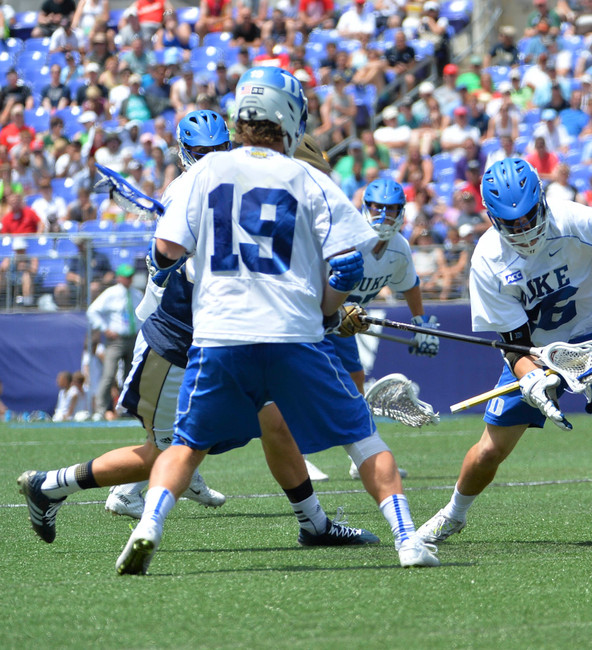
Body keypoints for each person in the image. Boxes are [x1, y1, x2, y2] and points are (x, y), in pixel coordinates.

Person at [111, 68, 437, 574]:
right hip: (292, 334)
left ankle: (147, 526)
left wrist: (164, 266)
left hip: (219, 336)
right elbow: (348, 266)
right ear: (290, 115)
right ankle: (408, 539)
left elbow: (166, 250)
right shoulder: (308, 177)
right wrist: (329, 312)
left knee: (186, 445)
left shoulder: (202, 173)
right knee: (363, 439)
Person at [17, 116, 381, 554]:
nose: (213, 160)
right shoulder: (187, 194)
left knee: (274, 423)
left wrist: (331, 309)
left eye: (218, 149)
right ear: (186, 155)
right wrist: (328, 312)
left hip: (221, 340)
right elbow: (219, 270)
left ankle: (314, 524)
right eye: (203, 154)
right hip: (176, 342)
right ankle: (53, 485)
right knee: (169, 453)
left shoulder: (229, 186)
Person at [414, 157, 592, 545]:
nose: (522, 230)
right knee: (490, 450)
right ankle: (454, 513)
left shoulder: (574, 219)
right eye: (511, 223)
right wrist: (532, 378)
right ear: (492, 218)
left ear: (541, 200)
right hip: (535, 349)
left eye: (528, 217)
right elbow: (513, 342)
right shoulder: (487, 259)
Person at [322, 177, 439, 481]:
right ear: (365, 208)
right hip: (314, 317)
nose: (383, 216)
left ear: (401, 212)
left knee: (355, 382)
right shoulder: (347, 238)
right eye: (377, 209)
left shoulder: (399, 248)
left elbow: (410, 286)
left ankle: (363, 458)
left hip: (342, 327)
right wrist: (334, 308)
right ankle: (297, 454)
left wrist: (421, 325)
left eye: (390, 210)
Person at [86, 264, 142, 419]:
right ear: (119, 277)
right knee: (109, 374)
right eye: (126, 276)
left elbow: (144, 316)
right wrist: (105, 328)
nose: (129, 279)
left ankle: (128, 409)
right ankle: (100, 409)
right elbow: (92, 311)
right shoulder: (110, 293)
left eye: (130, 276)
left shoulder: (137, 294)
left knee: (131, 376)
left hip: (133, 339)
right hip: (116, 340)